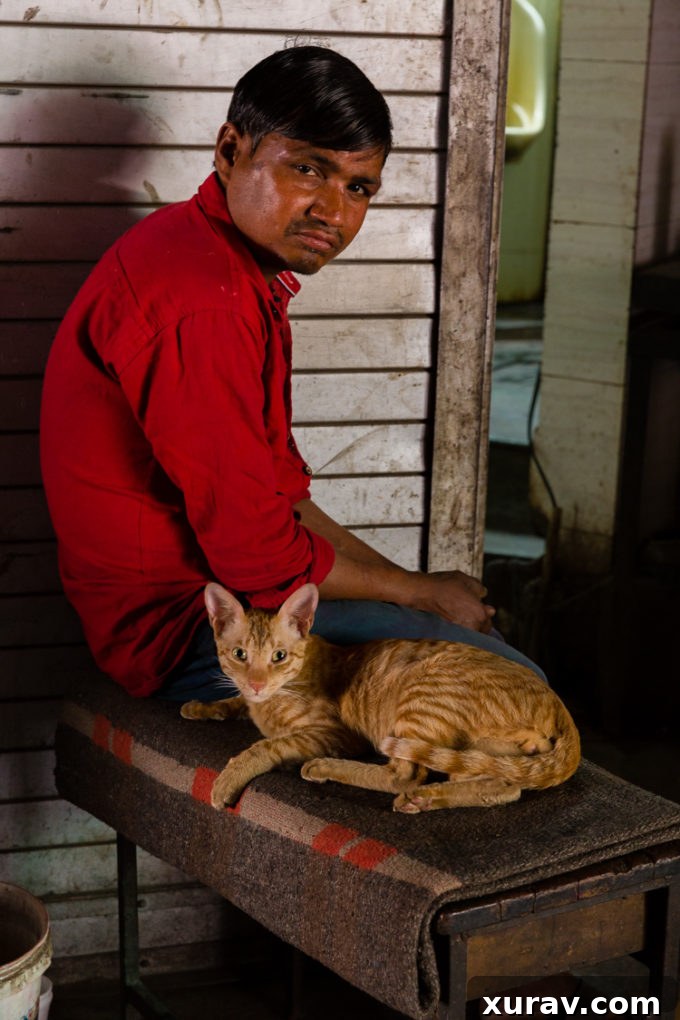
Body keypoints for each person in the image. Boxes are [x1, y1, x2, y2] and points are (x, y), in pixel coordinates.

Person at [40, 45, 545, 701]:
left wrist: (422, 594)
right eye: (308, 169)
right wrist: (416, 593)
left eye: (358, 188)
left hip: (228, 602)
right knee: (515, 687)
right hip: (186, 634)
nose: (333, 212)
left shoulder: (227, 270)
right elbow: (262, 563)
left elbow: (283, 501)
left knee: (488, 666)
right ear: (230, 151)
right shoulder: (201, 300)